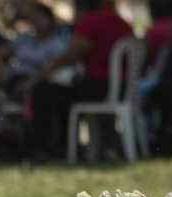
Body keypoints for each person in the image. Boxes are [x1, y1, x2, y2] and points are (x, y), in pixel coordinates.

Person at [19, 0, 133, 161]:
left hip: (100, 87)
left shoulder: (91, 22)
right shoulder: (121, 22)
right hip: (124, 87)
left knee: (42, 91)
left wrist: (39, 76)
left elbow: (70, 55)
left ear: (80, 10)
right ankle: (65, 146)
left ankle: (44, 148)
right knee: (62, 94)